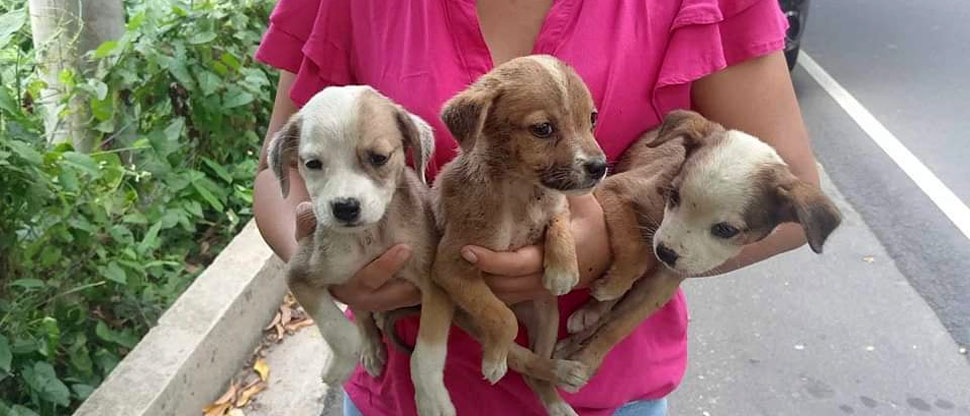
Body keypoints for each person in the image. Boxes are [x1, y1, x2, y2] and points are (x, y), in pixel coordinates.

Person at [252, 0, 819, 415]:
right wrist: (331, 263)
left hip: (598, 392)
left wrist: (619, 249)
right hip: (405, 392)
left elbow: (794, 200)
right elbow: (279, 172)